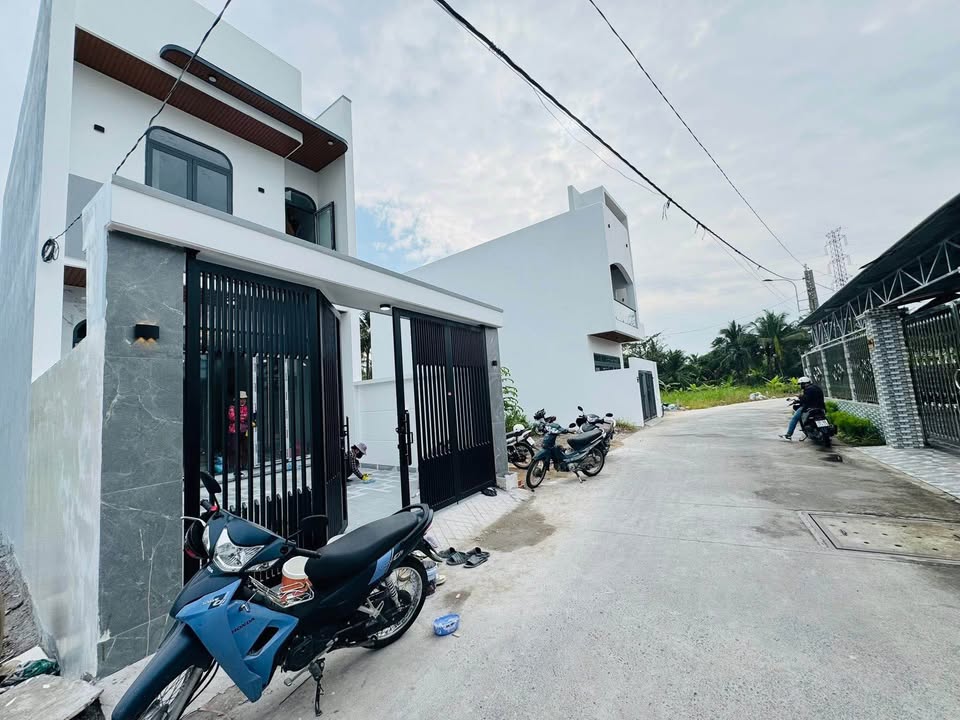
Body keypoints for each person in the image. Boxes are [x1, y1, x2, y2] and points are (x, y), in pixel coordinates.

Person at [781, 376, 825, 440]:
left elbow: (806, 399)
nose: (801, 386)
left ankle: (788, 434)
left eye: (801, 384)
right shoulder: (817, 388)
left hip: (809, 408)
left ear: (804, 383)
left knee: (794, 418)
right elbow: (812, 398)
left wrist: (800, 397)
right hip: (821, 407)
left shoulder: (807, 389)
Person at [227, 391, 251, 474]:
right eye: (241, 399)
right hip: (234, 431)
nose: (243, 401)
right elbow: (232, 417)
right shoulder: (232, 407)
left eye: (244, 399)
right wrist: (243, 418)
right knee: (234, 449)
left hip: (245, 431)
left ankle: (244, 465)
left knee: (245, 448)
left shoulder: (247, 407)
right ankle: (234, 466)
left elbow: (248, 416)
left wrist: (241, 417)